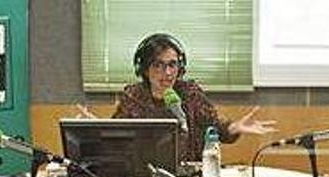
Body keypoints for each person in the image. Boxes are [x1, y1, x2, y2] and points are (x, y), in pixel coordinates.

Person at [112, 33, 276, 162]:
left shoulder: (190, 93)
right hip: (144, 176)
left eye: (172, 64)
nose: (167, 73)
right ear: (145, 69)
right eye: (158, 65)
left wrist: (232, 128)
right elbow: (115, 136)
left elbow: (213, 127)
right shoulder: (133, 97)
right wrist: (94, 126)